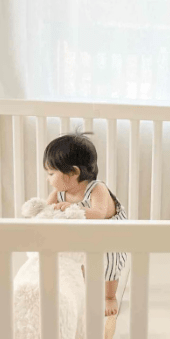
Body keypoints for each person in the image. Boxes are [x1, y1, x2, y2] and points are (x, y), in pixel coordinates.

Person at [43, 133, 127, 316]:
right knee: (81, 263)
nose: (48, 179)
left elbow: (98, 214)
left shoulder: (97, 189)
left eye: (51, 173)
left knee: (109, 267)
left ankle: (109, 297)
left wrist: (71, 208)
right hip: (84, 234)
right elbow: (45, 212)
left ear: (73, 172)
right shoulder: (59, 193)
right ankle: (83, 290)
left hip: (109, 234)